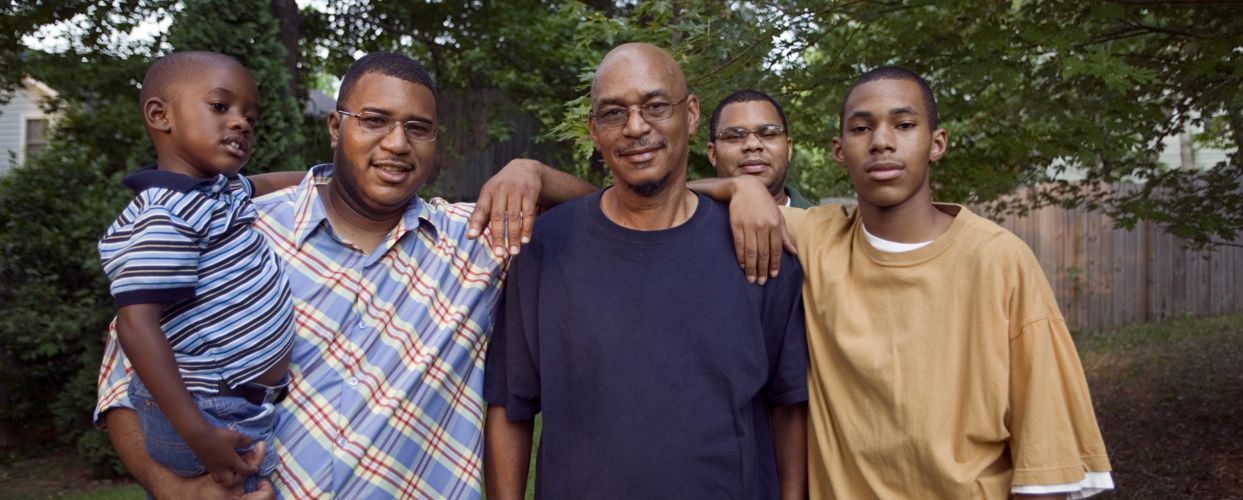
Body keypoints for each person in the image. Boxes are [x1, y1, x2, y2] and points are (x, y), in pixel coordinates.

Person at [94, 50, 785, 499]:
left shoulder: (477, 238)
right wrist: (172, 485)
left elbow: (627, 207)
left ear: (436, 143)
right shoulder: (241, 233)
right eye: (373, 121)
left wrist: (728, 191)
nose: (396, 144)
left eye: (417, 128)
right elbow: (124, 370)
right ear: (335, 127)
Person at [697, 66, 1116, 499]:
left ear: (937, 143)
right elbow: (675, 199)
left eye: (904, 124)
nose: (881, 141)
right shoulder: (815, 239)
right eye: (862, 128)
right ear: (839, 150)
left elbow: (1046, 464)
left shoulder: (999, 261)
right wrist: (741, 189)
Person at [483, 43, 809, 500]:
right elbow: (510, 406)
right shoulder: (545, 247)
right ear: (594, 131)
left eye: (656, 106)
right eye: (614, 113)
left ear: (691, 114)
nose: (636, 127)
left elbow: (788, 404)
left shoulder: (755, 242)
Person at [97, 51, 295, 493]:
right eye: (221, 107)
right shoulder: (166, 215)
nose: (242, 123)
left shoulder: (215, 193)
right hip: (204, 409)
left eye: (250, 117)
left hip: (234, 401)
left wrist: (328, 176)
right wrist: (199, 435)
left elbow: (266, 183)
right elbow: (136, 326)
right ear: (160, 115)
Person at [707, 89, 813, 208]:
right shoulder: (689, 223)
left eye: (768, 134)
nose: (752, 145)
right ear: (713, 154)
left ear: (789, 148)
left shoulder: (828, 225)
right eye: (734, 136)